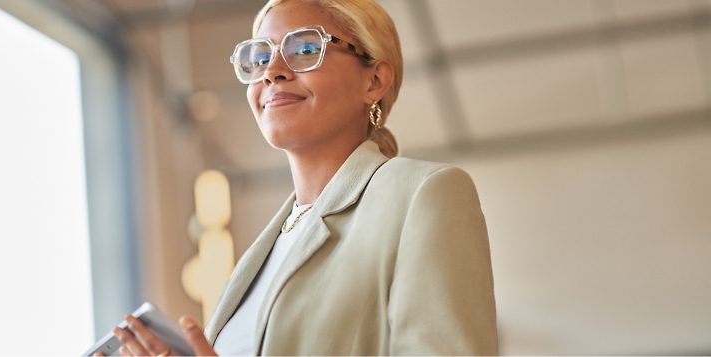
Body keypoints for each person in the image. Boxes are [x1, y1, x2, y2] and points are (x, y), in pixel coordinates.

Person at [106, 0, 498, 355]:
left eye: (306, 49)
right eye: (259, 58)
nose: (272, 73)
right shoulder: (268, 248)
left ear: (374, 81)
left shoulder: (424, 193)